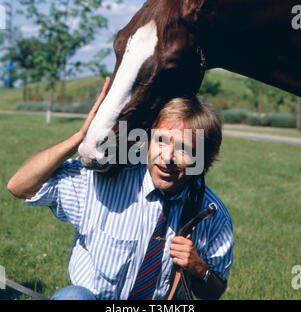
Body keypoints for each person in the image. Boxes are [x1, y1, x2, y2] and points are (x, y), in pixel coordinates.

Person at [7, 77, 233, 300]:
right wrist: (80, 138)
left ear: (203, 158)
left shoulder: (212, 215)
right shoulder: (105, 180)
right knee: (74, 297)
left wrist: (199, 269)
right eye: (161, 140)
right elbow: (20, 186)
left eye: (184, 148)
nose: (167, 157)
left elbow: (215, 291)